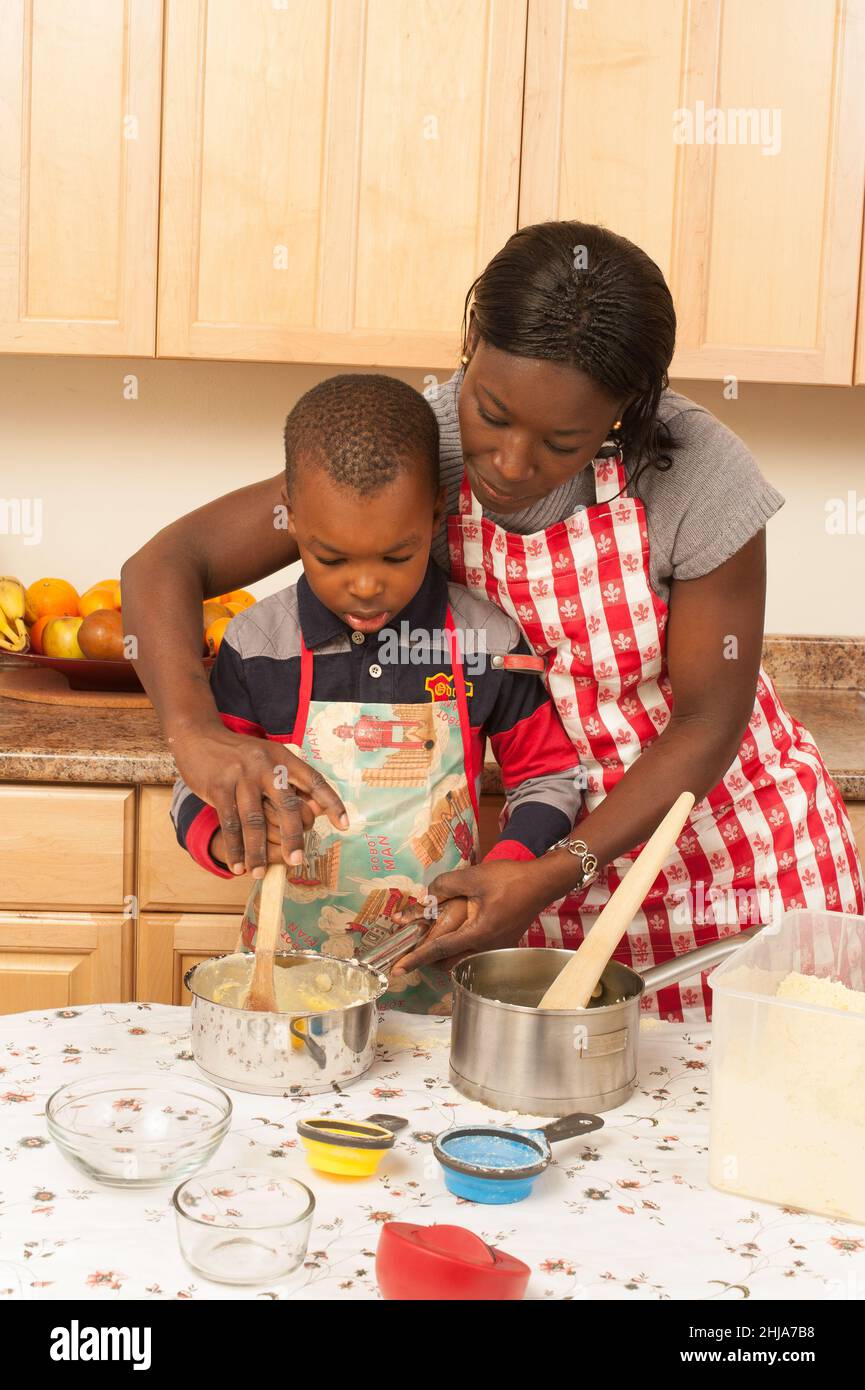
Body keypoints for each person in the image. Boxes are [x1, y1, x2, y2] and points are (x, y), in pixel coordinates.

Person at [124, 221, 865, 1021]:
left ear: (627, 408)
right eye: (493, 411)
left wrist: (558, 867)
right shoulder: (417, 447)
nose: (510, 464)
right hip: (510, 874)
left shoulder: (700, 474)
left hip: (723, 859)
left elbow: (707, 720)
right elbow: (163, 566)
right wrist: (194, 733)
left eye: (561, 441)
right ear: (471, 342)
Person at [169, 374, 583, 1012]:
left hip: (443, 977)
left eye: (396, 556)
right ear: (291, 518)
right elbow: (198, 782)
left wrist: (505, 865)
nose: (365, 587)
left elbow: (550, 776)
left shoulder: (484, 640)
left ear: (437, 514)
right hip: (284, 981)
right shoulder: (258, 644)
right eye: (332, 559)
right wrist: (228, 838)